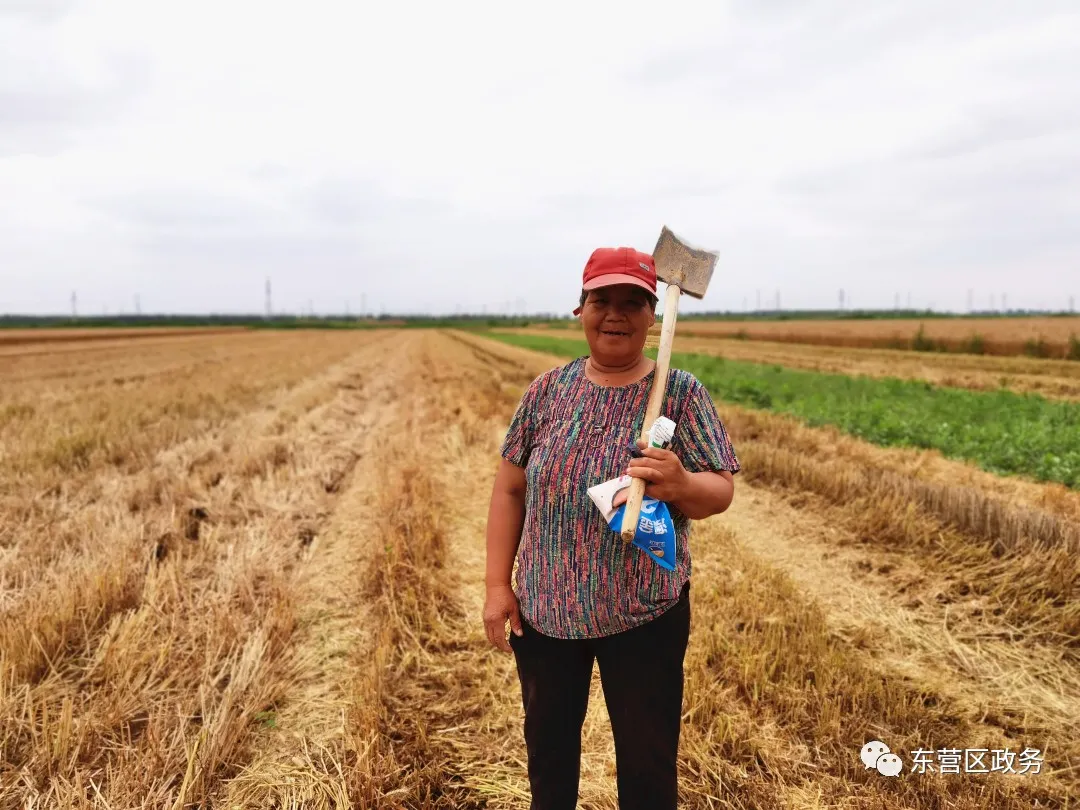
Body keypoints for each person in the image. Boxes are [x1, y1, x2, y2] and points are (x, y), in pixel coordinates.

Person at [483, 245, 740, 810]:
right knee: (548, 764)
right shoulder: (547, 392)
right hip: (546, 615)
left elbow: (720, 490)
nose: (616, 314)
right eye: (602, 300)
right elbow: (509, 490)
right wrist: (498, 587)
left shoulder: (680, 394)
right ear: (580, 309)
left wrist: (681, 485)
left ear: (654, 316)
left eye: (633, 301)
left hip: (644, 616)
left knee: (648, 773)